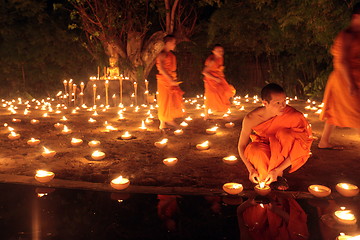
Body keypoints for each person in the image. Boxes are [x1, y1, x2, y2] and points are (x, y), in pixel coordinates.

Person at [237, 83, 313, 189]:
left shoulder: (294, 116)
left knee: (285, 134)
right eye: (277, 103)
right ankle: (273, 178)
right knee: (255, 149)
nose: (283, 106)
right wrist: (251, 169)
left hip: (282, 149)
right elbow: (241, 146)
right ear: (265, 103)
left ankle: (278, 175)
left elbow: (302, 146)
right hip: (264, 145)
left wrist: (278, 169)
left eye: (284, 101)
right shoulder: (251, 119)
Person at [318, 3, 360, 149]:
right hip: (345, 79)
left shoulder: (357, 35)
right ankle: (324, 141)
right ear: (356, 16)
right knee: (356, 111)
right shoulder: (347, 35)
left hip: (352, 78)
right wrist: (351, 84)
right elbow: (341, 62)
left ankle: (324, 141)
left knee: (334, 111)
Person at [156, 35, 184, 130]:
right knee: (164, 100)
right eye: (173, 42)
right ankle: (165, 121)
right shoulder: (162, 54)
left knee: (170, 99)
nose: (174, 44)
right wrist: (170, 79)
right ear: (167, 43)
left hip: (170, 78)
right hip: (165, 80)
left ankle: (165, 121)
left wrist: (173, 79)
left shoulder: (171, 54)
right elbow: (161, 69)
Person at [202, 44, 236, 119]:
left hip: (219, 78)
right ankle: (206, 115)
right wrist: (215, 78)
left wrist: (221, 75)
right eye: (218, 51)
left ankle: (223, 110)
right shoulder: (212, 61)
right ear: (213, 52)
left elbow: (219, 68)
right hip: (210, 80)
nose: (221, 52)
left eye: (222, 51)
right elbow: (204, 72)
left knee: (226, 91)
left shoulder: (220, 58)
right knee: (209, 96)